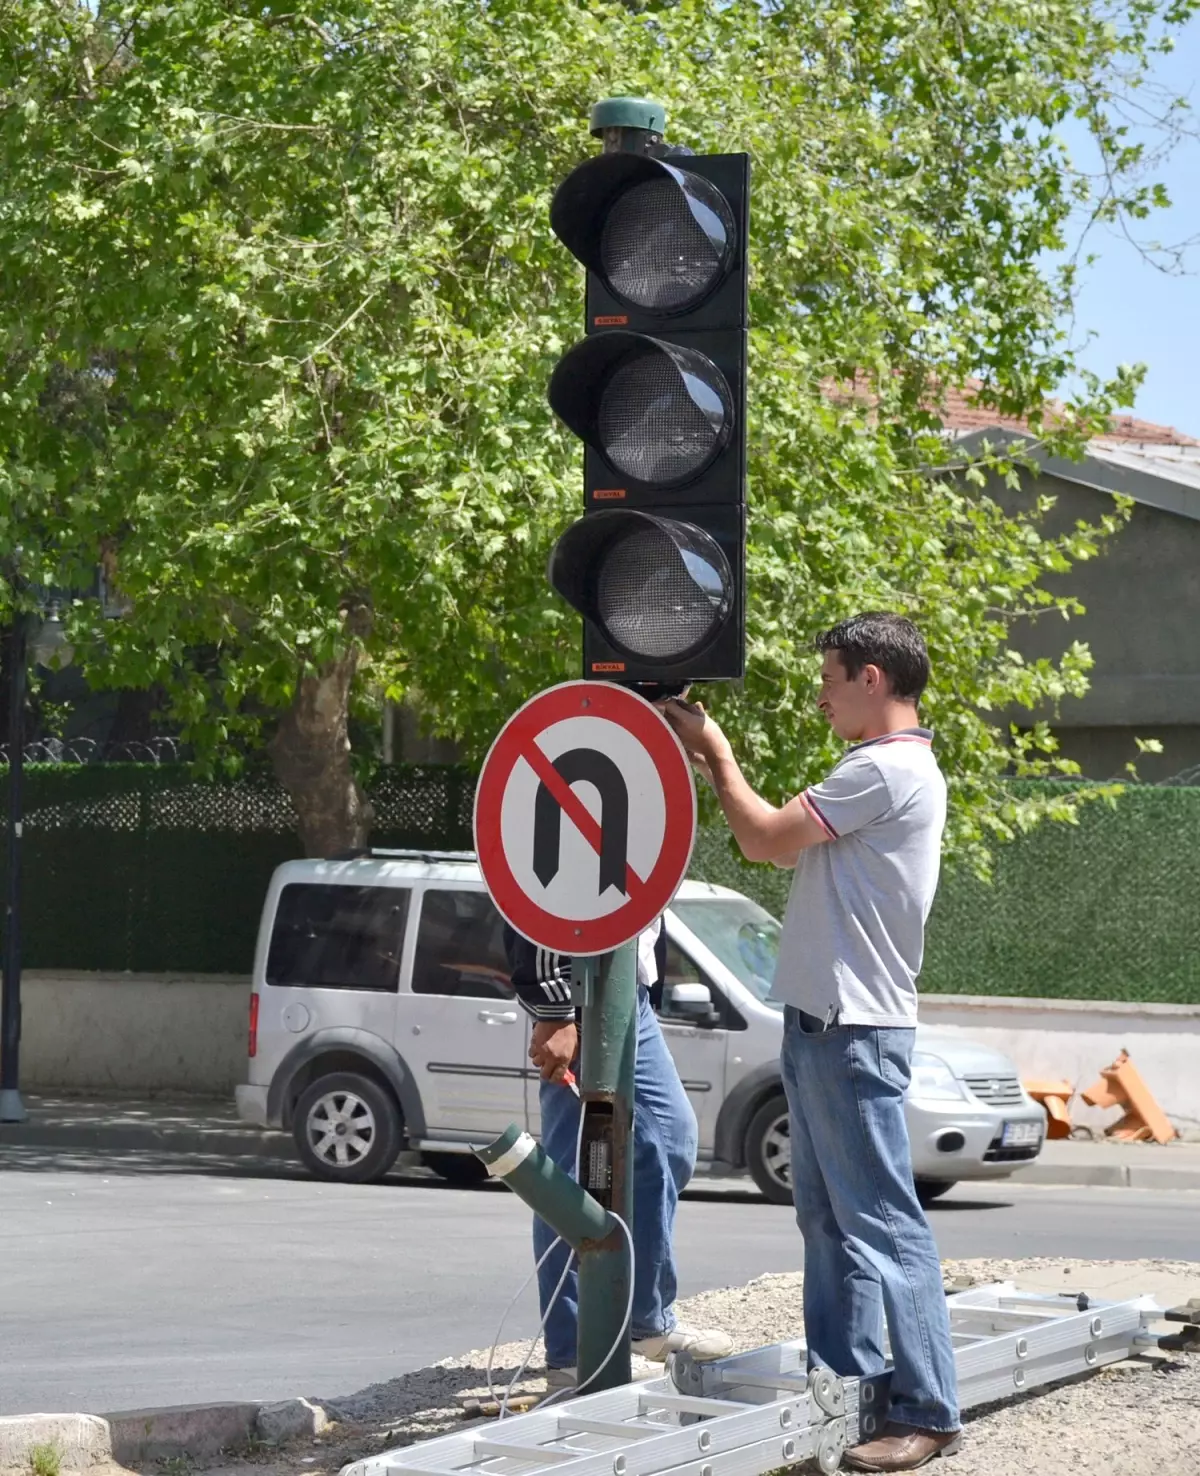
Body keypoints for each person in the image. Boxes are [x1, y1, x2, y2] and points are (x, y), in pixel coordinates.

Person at [661, 612, 961, 1473]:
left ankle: (927, 1412)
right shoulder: (880, 769)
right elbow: (792, 854)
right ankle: (848, 1395)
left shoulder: (887, 768)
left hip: (853, 1027)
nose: (819, 693)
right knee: (830, 1220)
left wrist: (715, 753)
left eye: (830, 676)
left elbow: (761, 840)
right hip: (828, 1022)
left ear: (874, 678)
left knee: (880, 1224)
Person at [504, 918, 733, 1390]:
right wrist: (554, 1006)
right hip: (586, 986)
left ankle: (640, 1321)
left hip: (625, 983)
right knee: (571, 1171)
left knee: (666, 1143)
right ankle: (573, 1351)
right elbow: (544, 885)